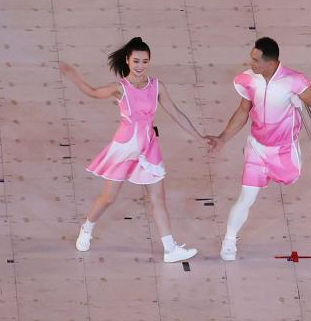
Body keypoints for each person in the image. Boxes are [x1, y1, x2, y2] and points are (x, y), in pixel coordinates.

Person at [60, 37, 204, 263]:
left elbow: (176, 113)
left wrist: (199, 136)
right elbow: (93, 91)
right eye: (136, 61)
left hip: (148, 148)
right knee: (108, 198)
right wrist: (72, 75)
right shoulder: (120, 88)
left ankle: (170, 249)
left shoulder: (157, 86)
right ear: (127, 61)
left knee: (158, 198)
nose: (140, 66)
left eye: (144, 61)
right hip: (125, 148)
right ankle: (87, 228)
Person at [208, 37, 311, 261]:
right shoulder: (248, 79)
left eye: (256, 60)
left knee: (291, 177)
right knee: (246, 197)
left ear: (271, 64)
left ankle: (285, 166)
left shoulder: (295, 81)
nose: (251, 63)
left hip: (283, 150)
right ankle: (229, 241)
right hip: (257, 148)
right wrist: (223, 138)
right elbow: (244, 110)